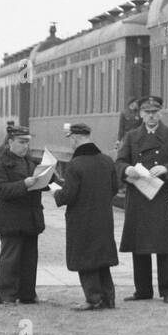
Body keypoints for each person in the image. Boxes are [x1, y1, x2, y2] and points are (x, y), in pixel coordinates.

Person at [115, 95, 168, 303]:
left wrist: (167, 168)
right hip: (139, 193)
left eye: (155, 112)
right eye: (147, 113)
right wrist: (128, 169)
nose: (151, 117)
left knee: (166, 242)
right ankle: (143, 290)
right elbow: (119, 162)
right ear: (140, 114)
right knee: (139, 242)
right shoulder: (131, 137)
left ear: (161, 113)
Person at [52, 122, 119, 310]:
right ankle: (108, 299)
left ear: (75, 138)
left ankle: (93, 298)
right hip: (104, 218)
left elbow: (68, 195)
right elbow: (114, 188)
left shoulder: (76, 164)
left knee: (85, 259)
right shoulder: (106, 161)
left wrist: (56, 193)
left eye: (71, 140)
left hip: (81, 220)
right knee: (102, 260)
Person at [0, 126, 49, 306]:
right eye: (21, 142)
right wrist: (24, 184)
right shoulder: (0, 165)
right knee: (10, 259)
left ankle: (27, 294)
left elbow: (41, 184)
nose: (25, 147)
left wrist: (48, 181)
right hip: (12, 220)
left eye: (27, 143)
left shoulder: (31, 163)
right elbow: (1, 190)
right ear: (10, 142)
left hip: (31, 218)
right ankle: (7, 295)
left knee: (29, 260)